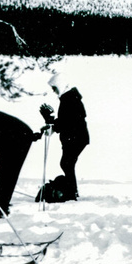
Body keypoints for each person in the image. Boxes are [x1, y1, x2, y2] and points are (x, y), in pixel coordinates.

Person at [0, 102, 40, 222]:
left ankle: (0, 209)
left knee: (6, 172)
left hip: (17, 137)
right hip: (11, 137)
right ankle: (1, 205)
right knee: (4, 172)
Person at [39, 73, 89, 201]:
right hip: (74, 137)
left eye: (54, 88)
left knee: (66, 163)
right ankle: (72, 191)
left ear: (60, 85)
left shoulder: (70, 99)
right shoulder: (68, 98)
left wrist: (52, 123)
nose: (53, 91)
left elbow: (68, 121)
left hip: (75, 137)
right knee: (67, 163)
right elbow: (65, 120)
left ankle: (72, 192)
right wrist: (51, 123)